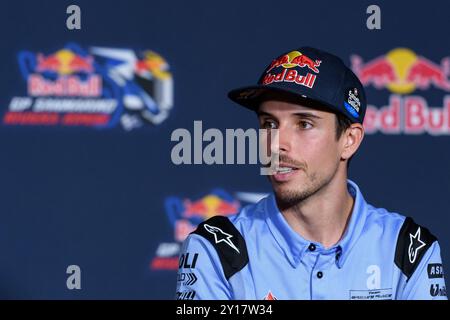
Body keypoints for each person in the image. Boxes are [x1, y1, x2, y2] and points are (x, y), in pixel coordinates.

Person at [175, 47, 447, 300]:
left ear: (349, 140)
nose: (276, 143)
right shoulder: (217, 249)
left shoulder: (409, 250)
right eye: (269, 123)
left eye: (303, 124)